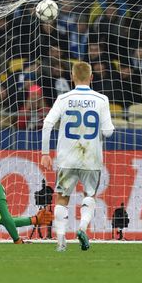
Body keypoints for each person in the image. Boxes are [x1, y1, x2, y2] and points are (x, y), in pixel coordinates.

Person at [41, 61, 115, 252]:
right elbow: (108, 132)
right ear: (91, 77)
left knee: (62, 198)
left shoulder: (63, 98)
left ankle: (60, 241)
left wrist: (45, 153)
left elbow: (47, 124)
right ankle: (82, 228)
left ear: (72, 77)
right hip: (91, 157)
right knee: (89, 194)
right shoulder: (102, 99)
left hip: (67, 157)